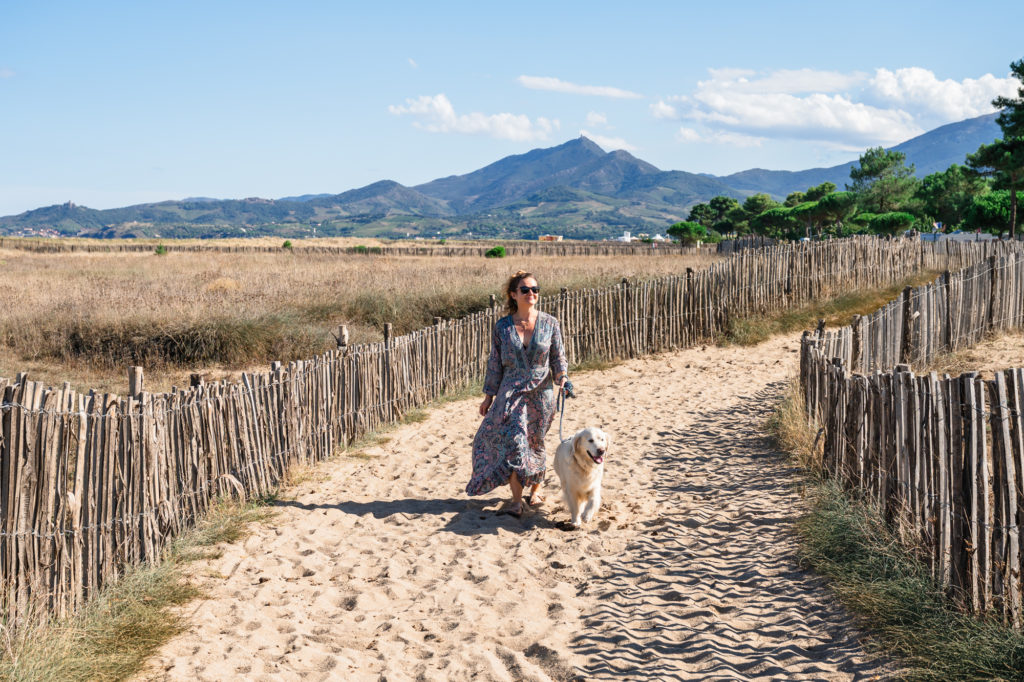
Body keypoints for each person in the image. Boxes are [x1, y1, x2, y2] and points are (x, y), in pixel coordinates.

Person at [466, 270, 568, 517]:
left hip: (541, 393)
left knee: (535, 441)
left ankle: (536, 489)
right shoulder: (502, 327)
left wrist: (563, 379)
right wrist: (489, 396)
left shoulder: (551, 323)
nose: (531, 293)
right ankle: (515, 500)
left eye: (535, 289)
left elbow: (558, 358)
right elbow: (494, 362)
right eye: (525, 289)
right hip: (510, 393)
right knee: (515, 442)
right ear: (514, 294)